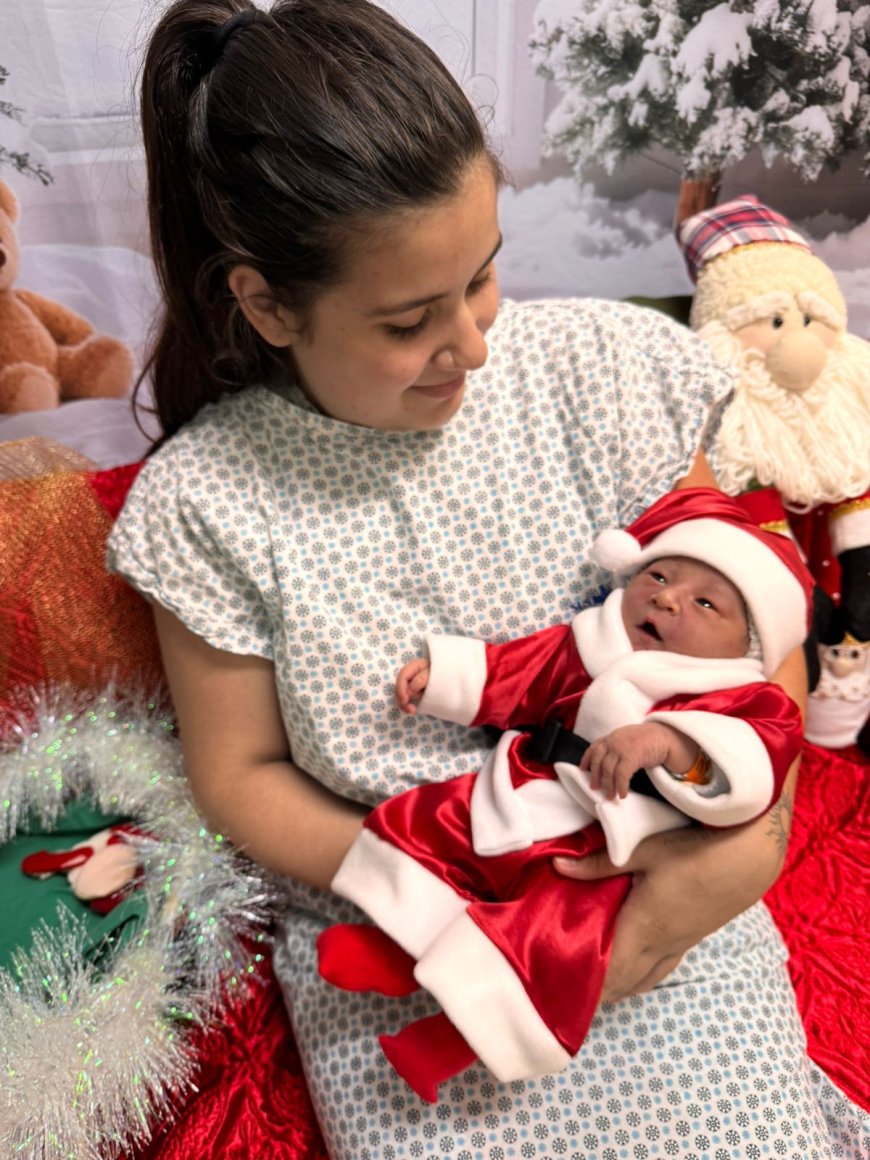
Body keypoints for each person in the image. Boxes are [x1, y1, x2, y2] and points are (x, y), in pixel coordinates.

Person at [106, 0, 869, 1154]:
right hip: (414, 933)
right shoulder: (209, 504)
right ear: (266, 304)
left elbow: (747, 595)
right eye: (412, 320)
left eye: (483, 276)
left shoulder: (601, 373)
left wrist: (734, 854)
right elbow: (242, 771)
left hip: (660, 867)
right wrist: (419, 894)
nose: (471, 341)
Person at [317, 487, 813, 1102]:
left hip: (615, 841)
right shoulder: (591, 642)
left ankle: (444, 1044)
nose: (666, 596)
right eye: (658, 574)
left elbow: (757, 761)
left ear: (748, 645)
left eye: (705, 602)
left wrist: (667, 743)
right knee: (431, 822)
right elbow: (519, 674)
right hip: (530, 786)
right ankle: (394, 944)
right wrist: (447, 678)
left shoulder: (746, 696)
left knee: (549, 937)